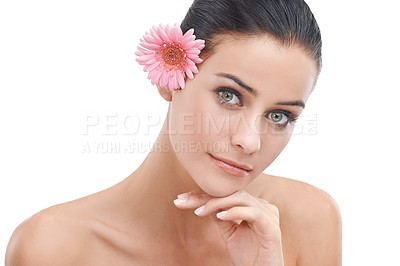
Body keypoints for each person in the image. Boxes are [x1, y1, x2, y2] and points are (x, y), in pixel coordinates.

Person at [5, 0, 342, 265]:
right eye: (230, 95)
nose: (250, 140)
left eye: (280, 115)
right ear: (171, 74)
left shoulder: (309, 221)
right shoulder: (54, 249)